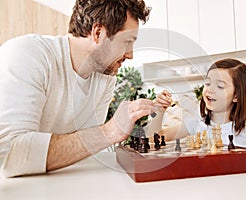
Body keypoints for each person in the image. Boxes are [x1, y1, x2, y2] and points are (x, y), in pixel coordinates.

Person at [0, 0, 156, 178]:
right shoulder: (26, 54)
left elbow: (86, 152)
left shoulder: (104, 76)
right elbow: (9, 156)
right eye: (126, 42)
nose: (130, 54)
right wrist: (110, 131)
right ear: (98, 33)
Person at [148, 58, 246, 157]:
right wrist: (159, 111)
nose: (210, 90)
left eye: (220, 86)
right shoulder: (198, 123)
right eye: (207, 83)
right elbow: (155, 138)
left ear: (236, 96)